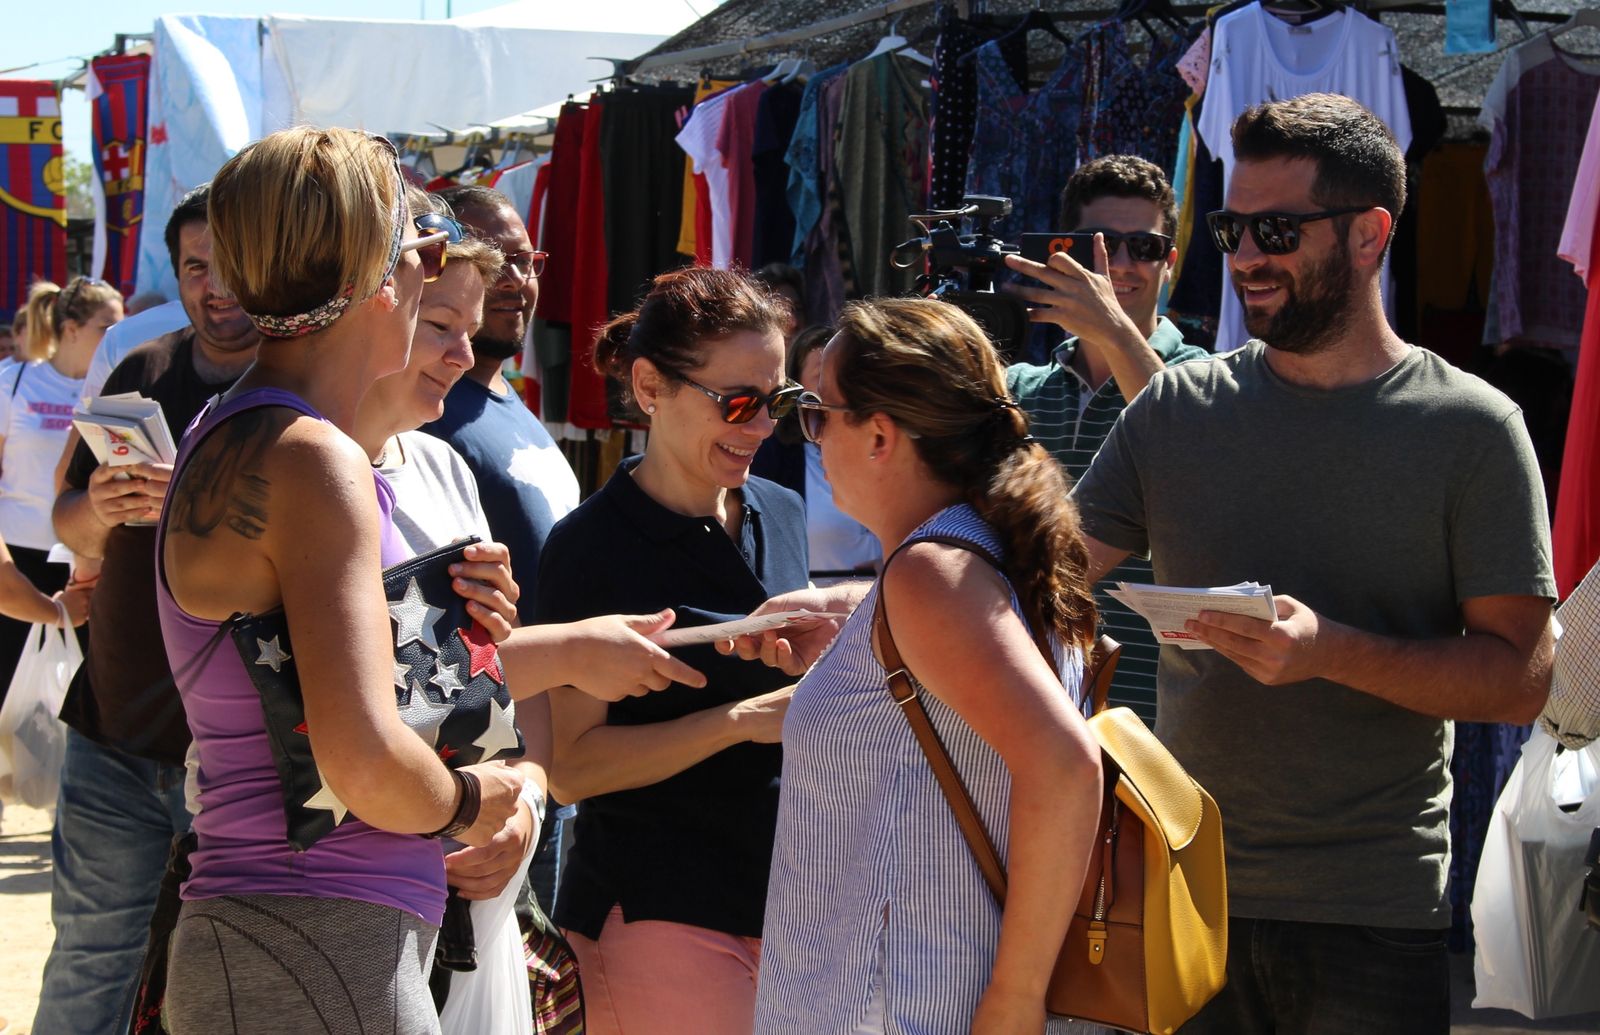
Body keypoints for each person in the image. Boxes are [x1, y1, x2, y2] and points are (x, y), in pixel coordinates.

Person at [1068, 95, 1555, 1034]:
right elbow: (1045, 568)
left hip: (1369, 914)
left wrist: (1328, 648)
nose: (1245, 255)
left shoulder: (1474, 429)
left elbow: (1519, 681)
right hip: (1184, 895)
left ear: (1370, 234)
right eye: (1230, 226)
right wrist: (882, 591)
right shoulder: (1178, 411)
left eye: (1277, 229)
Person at [154, 127, 526, 1034]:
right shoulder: (315, 459)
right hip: (319, 945)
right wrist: (478, 800)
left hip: (275, 938)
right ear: (382, 273)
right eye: (426, 250)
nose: (430, 271)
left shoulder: (235, 426)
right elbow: (361, 759)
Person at [747, 298, 1104, 1034]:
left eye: (818, 412)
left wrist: (1015, 998)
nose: (810, 437)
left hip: (909, 999)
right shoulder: (973, 550)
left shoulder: (934, 573)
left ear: (879, 434)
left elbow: (1066, 767)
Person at [534, 266, 807, 1035]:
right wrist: (739, 720)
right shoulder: (591, 546)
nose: (760, 429)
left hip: (783, 907)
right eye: (739, 403)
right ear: (650, 386)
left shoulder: (779, 508)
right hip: (653, 906)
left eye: (777, 402)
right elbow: (569, 766)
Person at [30, 186, 261, 1035]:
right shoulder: (143, 371)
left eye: (233, 266)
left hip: (241, 758)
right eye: (197, 267)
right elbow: (67, 520)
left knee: (225, 986)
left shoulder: (299, 389)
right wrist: (99, 504)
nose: (216, 287)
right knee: (90, 966)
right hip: (114, 737)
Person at [1002, 156, 1212, 722]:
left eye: (1142, 247)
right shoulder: (1018, 389)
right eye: (1102, 245)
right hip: (1036, 716)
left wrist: (1113, 329)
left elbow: (1196, 455)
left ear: (1169, 262)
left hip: (1162, 722)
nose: (1119, 265)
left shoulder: (1211, 382)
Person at [425, 184, 580, 916]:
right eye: (498, 261)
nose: (517, 280)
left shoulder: (507, 399)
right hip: (477, 771)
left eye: (527, 259)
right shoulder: (427, 418)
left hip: (538, 758)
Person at [0, 276, 121, 699]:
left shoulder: (114, 389)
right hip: (17, 561)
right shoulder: (13, 381)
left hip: (85, 560)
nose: (116, 337)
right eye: (107, 326)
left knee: (76, 694)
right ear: (71, 329)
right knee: (11, 689)